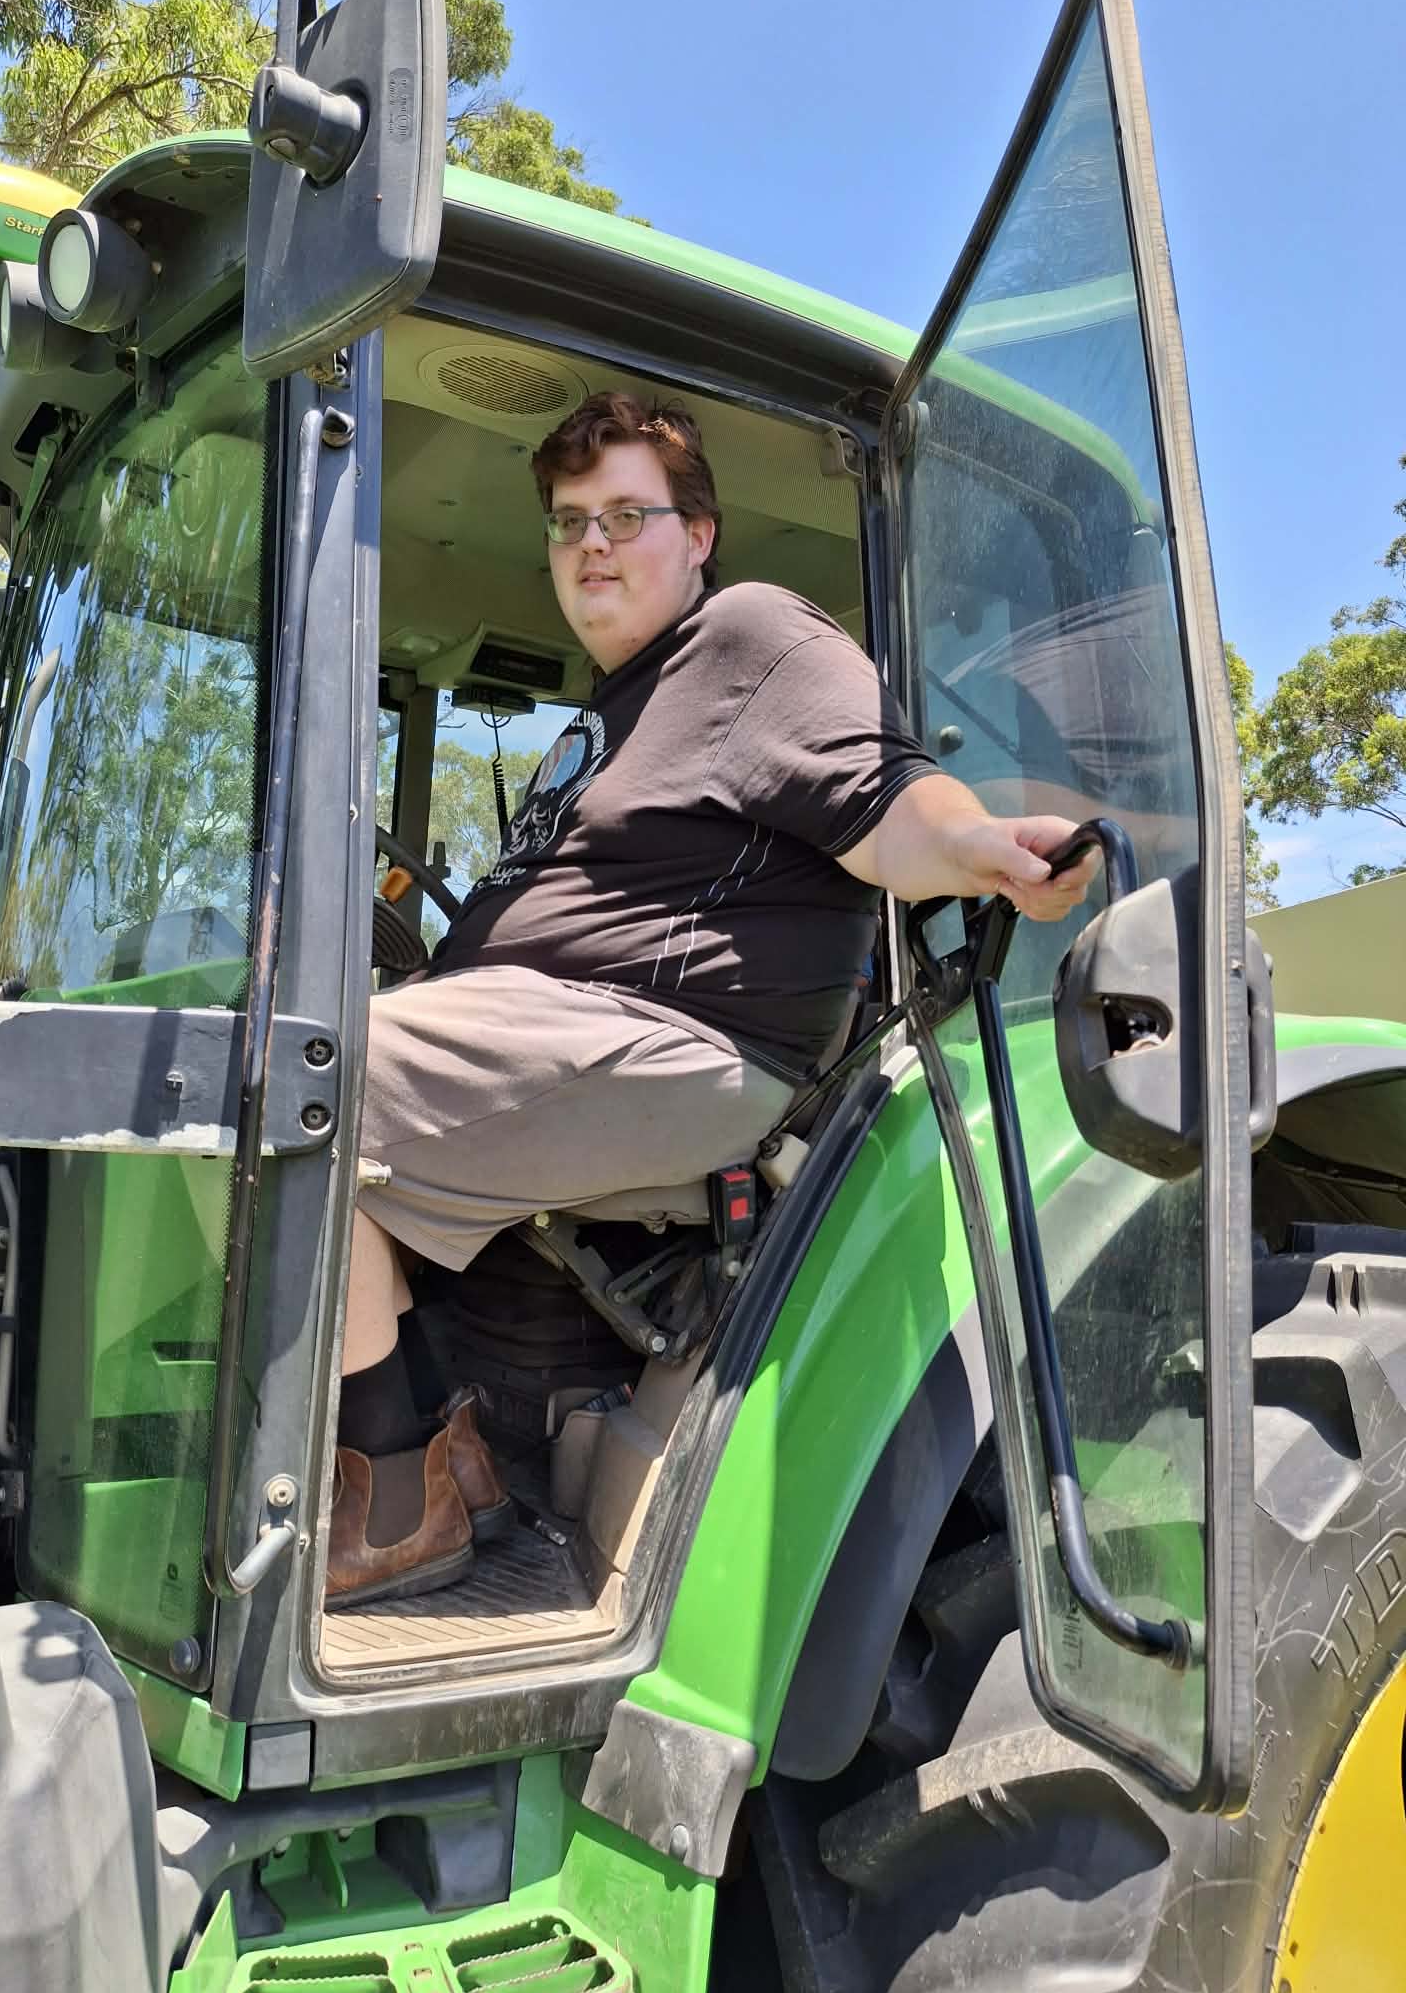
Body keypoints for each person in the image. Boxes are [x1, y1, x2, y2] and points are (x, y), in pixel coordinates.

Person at [325, 392, 1094, 1609]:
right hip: (571, 1023)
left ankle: (394, 1502)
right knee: (299, 1044)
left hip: (691, 1042)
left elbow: (885, 797)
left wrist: (980, 844)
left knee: (306, 1075)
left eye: (626, 514)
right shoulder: (615, 710)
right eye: (568, 520)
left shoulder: (749, 637)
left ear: (699, 535)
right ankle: (445, 1449)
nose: (591, 543)